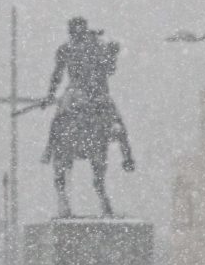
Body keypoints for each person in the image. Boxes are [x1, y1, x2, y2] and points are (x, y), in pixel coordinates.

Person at [40, 16, 135, 218]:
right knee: (117, 125)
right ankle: (127, 156)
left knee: (58, 120)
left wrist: (50, 95)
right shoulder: (92, 46)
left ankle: (50, 150)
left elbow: (57, 76)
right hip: (94, 93)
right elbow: (110, 69)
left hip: (77, 92)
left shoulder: (70, 48)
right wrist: (111, 53)